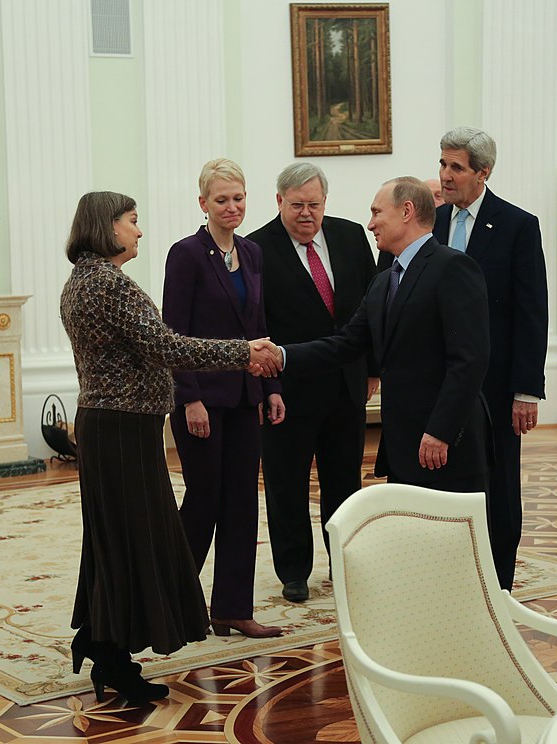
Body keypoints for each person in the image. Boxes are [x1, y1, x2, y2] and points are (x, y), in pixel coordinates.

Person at [60, 190, 279, 707]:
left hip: (110, 426)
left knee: (115, 540)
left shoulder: (83, 281)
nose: (139, 231)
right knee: (134, 539)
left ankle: (103, 643)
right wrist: (241, 352)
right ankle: (109, 651)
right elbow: (168, 346)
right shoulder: (108, 285)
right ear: (105, 226)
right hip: (122, 431)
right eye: (132, 222)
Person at [265, 177, 491, 492]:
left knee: (454, 539)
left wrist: (441, 431)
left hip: (445, 445)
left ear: (406, 211)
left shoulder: (453, 268)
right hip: (404, 445)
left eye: (377, 212)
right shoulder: (384, 281)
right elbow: (345, 344)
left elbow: (469, 360)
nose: (370, 224)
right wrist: (282, 355)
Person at [162, 159, 285, 639]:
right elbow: (174, 333)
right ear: (203, 204)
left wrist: (270, 387)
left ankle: (232, 608)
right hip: (200, 398)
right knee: (204, 499)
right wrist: (189, 399)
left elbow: (258, 328)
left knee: (241, 502)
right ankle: (172, 600)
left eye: (238, 198)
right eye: (221, 200)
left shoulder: (252, 253)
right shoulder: (186, 254)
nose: (232, 207)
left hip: (243, 398)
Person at [247, 163, 378, 603]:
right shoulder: (256, 250)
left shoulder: (350, 236)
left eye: (315, 205)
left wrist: (373, 368)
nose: (307, 214)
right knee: (287, 483)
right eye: (297, 205)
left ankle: (344, 563)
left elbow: (370, 307)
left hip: (347, 385)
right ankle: (294, 571)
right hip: (288, 389)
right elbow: (255, 322)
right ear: (279, 201)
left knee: (345, 481)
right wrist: (269, 388)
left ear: (326, 203)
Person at [434, 126, 548, 590]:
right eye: (442, 164)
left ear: (483, 172)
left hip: (497, 384)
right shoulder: (434, 221)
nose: (444, 175)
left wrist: (526, 390)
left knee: (498, 482)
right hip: (442, 379)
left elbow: (531, 311)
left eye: (455, 167)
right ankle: (450, 574)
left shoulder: (518, 225)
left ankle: (499, 579)